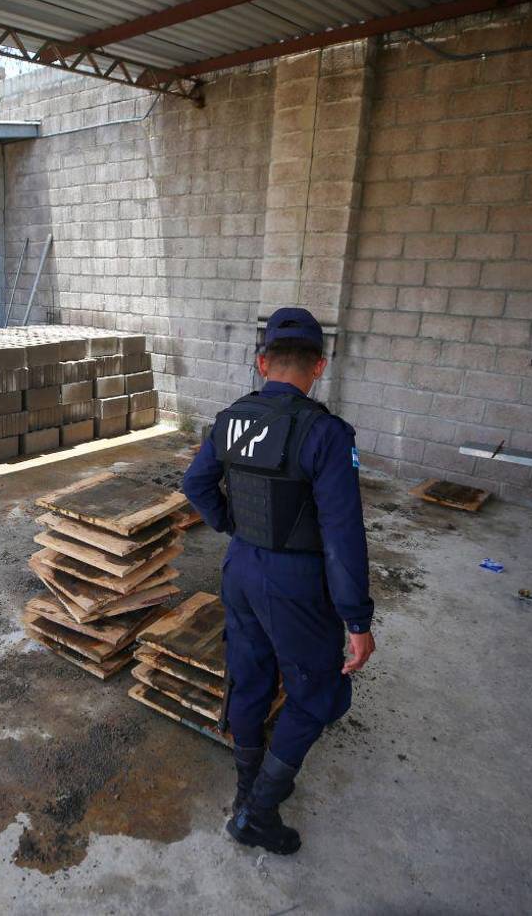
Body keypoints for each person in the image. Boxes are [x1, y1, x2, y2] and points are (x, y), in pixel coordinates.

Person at [182, 307, 376, 856]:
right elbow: (342, 533)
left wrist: (231, 525)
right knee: (319, 693)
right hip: (296, 581)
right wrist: (357, 619)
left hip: (241, 570)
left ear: (262, 362)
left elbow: (195, 485)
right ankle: (259, 813)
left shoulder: (229, 419)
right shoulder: (328, 433)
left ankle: (247, 787)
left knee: (250, 678)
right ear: (319, 366)